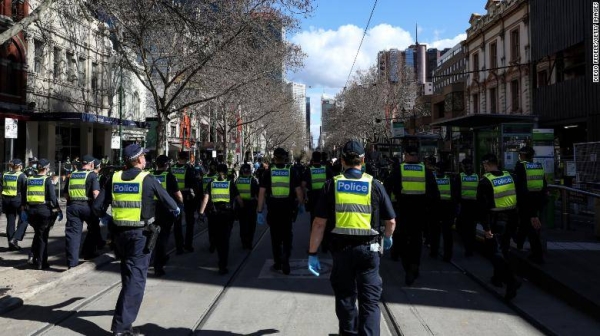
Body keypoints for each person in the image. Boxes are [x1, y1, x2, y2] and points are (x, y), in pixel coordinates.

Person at [307, 140, 396, 336]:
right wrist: (387, 238)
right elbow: (391, 221)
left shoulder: (331, 185)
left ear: (342, 161)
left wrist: (312, 252)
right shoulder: (375, 185)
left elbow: (319, 224)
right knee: (370, 302)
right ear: (363, 160)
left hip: (342, 252)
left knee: (346, 298)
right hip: (369, 252)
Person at [93, 144, 179, 335]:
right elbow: (171, 204)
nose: (146, 160)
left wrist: (107, 218)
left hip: (118, 235)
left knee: (128, 276)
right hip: (140, 236)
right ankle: (121, 328)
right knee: (136, 281)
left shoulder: (113, 178)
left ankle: (123, 321)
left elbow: (97, 207)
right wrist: (176, 211)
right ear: (140, 159)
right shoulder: (147, 179)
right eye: (144, 157)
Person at [385, 145, 439, 286]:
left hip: (402, 211)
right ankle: (415, 265)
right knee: (416, 240)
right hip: (421, 212)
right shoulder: (426, 171)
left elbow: (387, 188)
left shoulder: (399, 170)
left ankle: (408, 267)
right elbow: (435, 194)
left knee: (402, 240)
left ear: (407, 155)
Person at [477, 153, 521, 300]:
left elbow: (482, 208)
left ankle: (511, 280)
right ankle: (498, 279)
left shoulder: (485, 181)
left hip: (496, 220)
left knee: (494, 253)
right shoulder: (511, 176)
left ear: (486, 165)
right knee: (504, 250)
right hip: (511, 219)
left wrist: (487, 228)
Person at [256, 147, 304, 275]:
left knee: (275, 236)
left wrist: (259, 211)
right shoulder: (291, 171)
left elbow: (261, 192)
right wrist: (301, 204)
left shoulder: (268, 172)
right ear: (285, 158)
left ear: (274, 158)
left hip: (273, 209)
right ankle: (286, 257)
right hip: (288, 209)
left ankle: (277, 262)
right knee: (287, 234)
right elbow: (298, 190)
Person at [199, 164, 243, 274]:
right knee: (225, 240)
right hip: (227, 215)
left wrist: (201, 213)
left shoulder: (211, 183)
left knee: (218, 238)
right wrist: (242, 208)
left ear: (217, 171)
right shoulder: (230, 184)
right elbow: (238, 199)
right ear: (226, 172)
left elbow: (205, 199)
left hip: (214, 215)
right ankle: (222, 264)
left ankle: (217, 251)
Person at [64, 155, 101, 267]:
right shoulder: (92, 175)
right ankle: (88, 252)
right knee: (94, 227)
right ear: (92, 164)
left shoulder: (72, 175)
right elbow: (95, 194)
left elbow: (66, 195)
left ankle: (72, 263)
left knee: (73, 235)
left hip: (72, 206)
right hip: (87, 206)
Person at [26, 159, 63, 269]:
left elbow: (24, 195)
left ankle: (33, 256)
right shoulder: (47, 180)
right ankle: (41, 263)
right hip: (43, 211)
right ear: (46, 168)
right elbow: (52, 197)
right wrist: (58, 210)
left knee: (38, 234)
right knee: (43, 237)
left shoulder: (30, 179)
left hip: (31, 211)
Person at [514, 146, 547, 264]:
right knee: (525, 223)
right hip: (537, 201)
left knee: (530, 227)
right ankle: (518, 242)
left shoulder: (520, 166)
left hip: (526, 202)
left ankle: (537, 254)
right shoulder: (538, 166)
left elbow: (519, 186)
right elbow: (544, 185)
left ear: (522, 155)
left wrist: (517, 201)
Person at [152, 155, 183, 276]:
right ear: (166, 164)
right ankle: (158, 264)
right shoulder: (169, 176)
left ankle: (160, 257)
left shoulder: (150, 175)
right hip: (165, 210)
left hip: (151, 210)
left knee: (154, 236)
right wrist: (180, 204)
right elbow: (178, 194)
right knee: (163, 237)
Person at [170, 151, 201, 254]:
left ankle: (179, 247)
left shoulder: (172, 168)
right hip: (187, 197)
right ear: (187, 158)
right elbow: (195, 184)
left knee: (177, 223)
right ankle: (188, 245)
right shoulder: (189, 169)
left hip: (175, 197)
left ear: (178, 157)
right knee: (189, 222)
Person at [302, 151, 333, 252]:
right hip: (325, 198)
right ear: (320, 158)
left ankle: (313, 246)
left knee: (314, 223)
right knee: (326, 222)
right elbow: (333, 182)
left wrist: (305, 196)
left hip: (313, 199)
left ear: (312, 158)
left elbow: (303, 185)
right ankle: (325, 245)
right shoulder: (326, 169)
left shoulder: (308, 170)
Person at [429, 161, 457, 262]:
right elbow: (454, 197)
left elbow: (428, 196)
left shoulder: (432, 180)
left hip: (435, 209)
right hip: (447, 209)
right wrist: (454, 212)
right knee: (447, 234)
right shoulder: (450, 180)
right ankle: (447, 255)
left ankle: (434, 251)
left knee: (434, 232)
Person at [1, 159, 28, 250]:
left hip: (6, 200)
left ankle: (11, 245)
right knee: (24, 219)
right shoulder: (22, 176)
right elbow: (25, 191)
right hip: (17, 200)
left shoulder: (5, 174)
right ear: (20, 166)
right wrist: (25, 203)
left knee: (10, 222)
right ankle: (15, 238)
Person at [456, 157, 479, 257]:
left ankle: (467, 247)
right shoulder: (477, 177)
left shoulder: (460, 177)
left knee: (462, 227)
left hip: (464, 206)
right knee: (472, 228)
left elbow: (456, 192)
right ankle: (470, 248)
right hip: (474, 206)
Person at [235, 163, 259, 249]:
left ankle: (244, 242)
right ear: (249, 171)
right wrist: (260, 207)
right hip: (251, 205)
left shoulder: (237, 180)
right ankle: (249, 242)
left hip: (240, 206)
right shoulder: (253, 180)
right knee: (251, 225)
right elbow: (257, 194)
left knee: (242, 224)